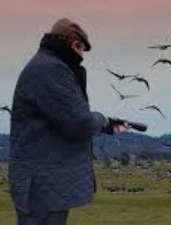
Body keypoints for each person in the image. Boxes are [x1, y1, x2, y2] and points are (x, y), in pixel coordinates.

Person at [8, 18, 129, 225]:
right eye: (82, 51)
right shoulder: (51, 69)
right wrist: (102, 119)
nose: (82, 57)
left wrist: (106, 126)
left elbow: (63, 117)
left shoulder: (43, 65)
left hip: (43, 182)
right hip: (42, 185)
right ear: (75, 45)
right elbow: (78, 122)